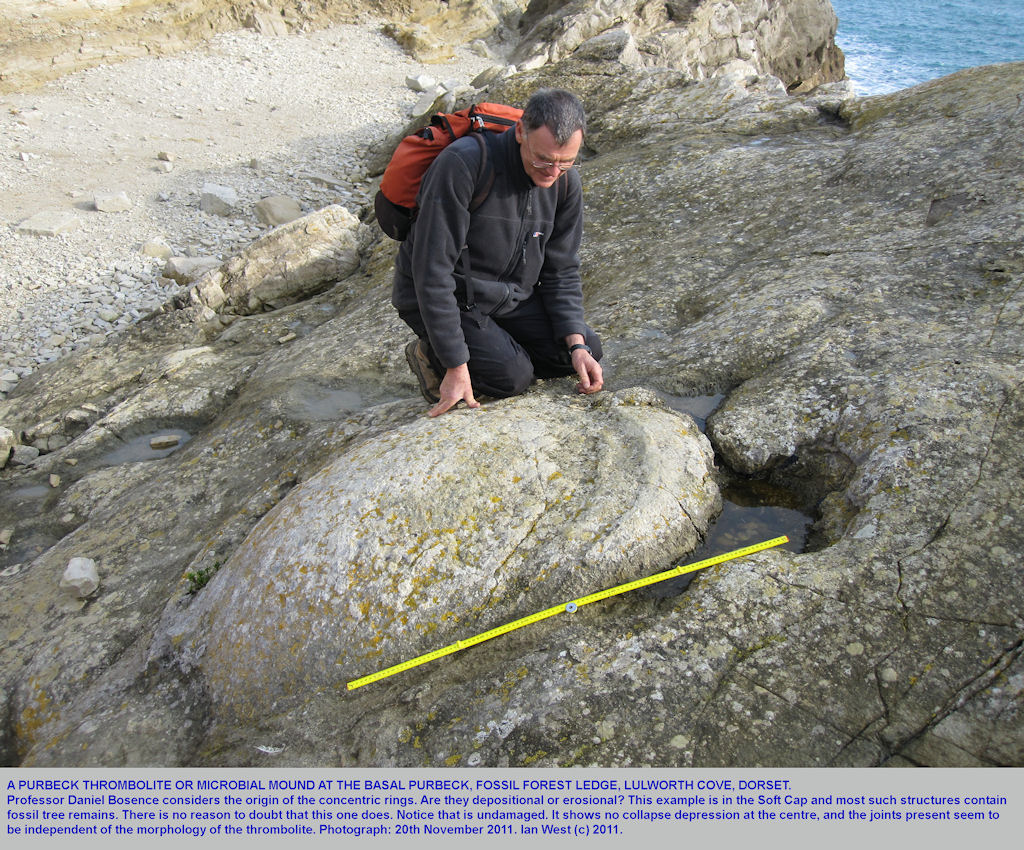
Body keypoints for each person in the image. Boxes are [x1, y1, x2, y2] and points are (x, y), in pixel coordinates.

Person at [391, 88, 604, 417]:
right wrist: (455, 363)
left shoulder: (564, 183)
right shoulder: (463, 165)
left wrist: (577, 344)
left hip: (511, 297)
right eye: (543, 159)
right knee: (511, 377)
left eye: (565, 163)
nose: (552, 172)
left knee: (582, 351)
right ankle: (429, 354)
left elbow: (561, 269)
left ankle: (493, 345)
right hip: (451, 294)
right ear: (520, 132)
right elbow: (432, 272)